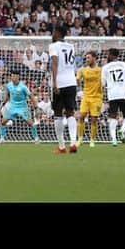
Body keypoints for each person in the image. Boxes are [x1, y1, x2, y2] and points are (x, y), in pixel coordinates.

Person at [49, 25, 79, 154]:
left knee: (58, 114)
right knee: (70, 112)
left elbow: (55, 63)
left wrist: (55, 82)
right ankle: (73, 143)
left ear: (57, 33)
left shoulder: (54, 46)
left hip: (60, 82)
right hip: (71, 82)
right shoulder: (71, 46)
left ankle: (61, 147)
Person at [0, 67, 39, 144]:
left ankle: (36, 138)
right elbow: (8, 96)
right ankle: (2, 138)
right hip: (12, 107)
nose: (12, 77)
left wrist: (36, 107)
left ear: (17, 77)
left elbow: (31, 96)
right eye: (11, 76)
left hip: (22, 107)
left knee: (30, 123)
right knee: (3, 122)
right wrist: (3, 104)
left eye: (13, 76)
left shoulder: (23, 87)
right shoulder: (9, 85)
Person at [102, 49, 125, 145]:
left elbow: (103, 84)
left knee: (113, 117)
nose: (107, 56)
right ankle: (122, 130)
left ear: (112, 55)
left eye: (108, 54)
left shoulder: (105, 67)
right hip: (123, 94)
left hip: (112, 95)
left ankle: (114, 140)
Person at [76, 50, 103, 148]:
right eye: (86, 58)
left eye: (89, 57)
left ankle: (92, 140)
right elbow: (78, 81)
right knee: (81, 116)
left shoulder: (101, 70)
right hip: (86, 97)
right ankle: (80, 139)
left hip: (97, 98)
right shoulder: (82, 70)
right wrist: (78, 81)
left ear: (94, 58)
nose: (87, 59)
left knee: (94, 119)